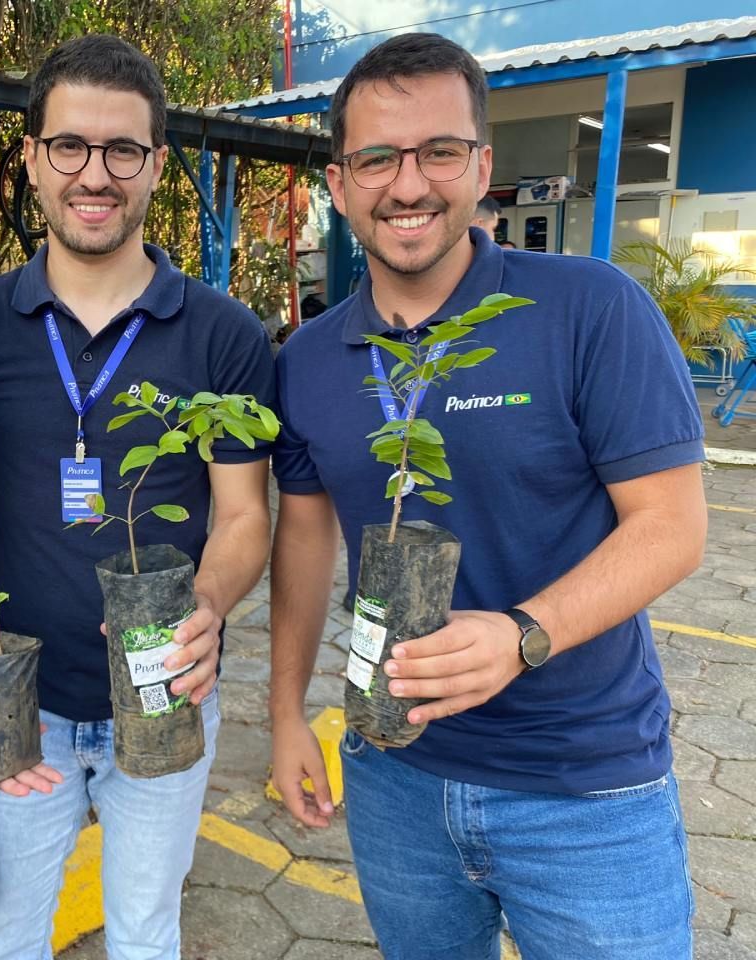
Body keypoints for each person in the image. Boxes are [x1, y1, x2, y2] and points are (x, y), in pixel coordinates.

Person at [268, 32, 705, 959]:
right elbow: (302, 545)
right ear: (339, 184)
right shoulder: (305, 361)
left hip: (584, 787)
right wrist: (283, 715)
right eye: (376, 158)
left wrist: (523, 633)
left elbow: (671, 527)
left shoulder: (588, 308)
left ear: (483, 167)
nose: (409, 185)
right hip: (393, 779)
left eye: (440, 151)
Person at [0, 34, 276, 960]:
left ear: (157, 164)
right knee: (5, 933)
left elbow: (244, 516)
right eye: (71, 147)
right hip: (21, 697)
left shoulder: (224, 335)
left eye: (123, 149)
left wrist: (208, 604)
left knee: (143, 931)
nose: (97, 173)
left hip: (166, 693)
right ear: (34, 159)